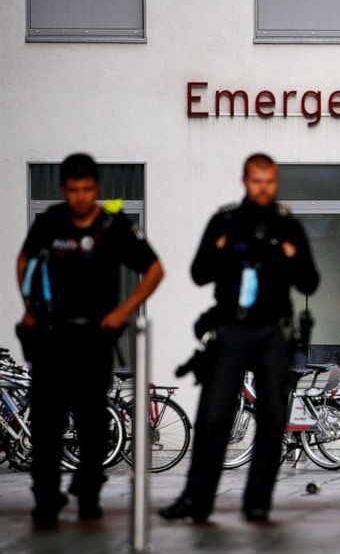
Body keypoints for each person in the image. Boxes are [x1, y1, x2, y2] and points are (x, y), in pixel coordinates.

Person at [160, 153, 319, 523]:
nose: (263, 188)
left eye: (269, 181)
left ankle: (258, 502)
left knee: (272, 417)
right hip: (231, 329)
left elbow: (309, 282)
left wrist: (292, 256)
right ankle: (197, 500)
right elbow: (198, 274)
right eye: (256, 181)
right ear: (244, 180)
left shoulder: (288, 226)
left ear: (276, 182)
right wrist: (219, 250)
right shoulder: (225, 220)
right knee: (214, 415)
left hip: (272, 334)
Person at [16, 153, 164, 529]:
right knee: (47, 422)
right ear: (64, 190)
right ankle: (46, 497)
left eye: (86, 189)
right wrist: (29, 304)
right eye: (72, 190)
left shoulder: (113, 227)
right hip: (52, 335)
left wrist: (124, 311)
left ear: (96, 189)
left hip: (95, 337)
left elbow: (154, 269)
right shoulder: (51, 222)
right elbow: (24, 260)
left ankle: (88, 495)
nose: (80, 197)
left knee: (93, 421)